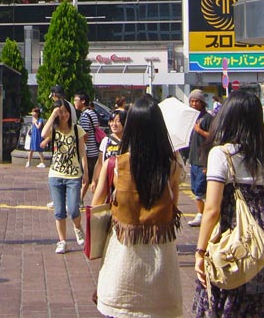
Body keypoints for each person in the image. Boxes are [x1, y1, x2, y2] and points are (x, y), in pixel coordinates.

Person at [192, 91, 264, 317]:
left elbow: (212, 209)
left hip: (235, 240)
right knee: (259, 308)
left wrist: (200, 251)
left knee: (228, 301)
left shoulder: (221, 154)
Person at [94, 95, 182, 318]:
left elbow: (95, 208)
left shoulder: (115, 164)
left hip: (122, 260)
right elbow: (174, 206)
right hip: (161, 263)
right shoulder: (171, 165)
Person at [41, 98, 88, 253]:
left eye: (65, 111)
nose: (64, 115)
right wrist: (53, 115)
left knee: (74, 208)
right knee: (59, 211)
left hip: (74, 175)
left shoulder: (77, 129)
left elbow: (82, 153)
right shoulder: (54, 130)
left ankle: (77, 227)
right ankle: (62, 241)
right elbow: (43, 134)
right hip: (55, 175)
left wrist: (85, 172)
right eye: (60, 112)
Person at [186, 89, 213, 227]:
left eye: (196, 101)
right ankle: (202, 213)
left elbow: (213, 137)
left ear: (202, 103)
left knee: (201, 189)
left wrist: (200, 131)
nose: (194, 104)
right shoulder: (191, 117)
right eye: (192, 101)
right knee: (195, 189)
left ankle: (202, 214)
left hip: (204, 159)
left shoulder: (208, 118)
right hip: (194, 158)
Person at [74, 92, 101, 198]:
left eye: (76, 100)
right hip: (95, 150)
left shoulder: (85, 116)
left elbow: (84, 136)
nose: (74, 102)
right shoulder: (92, 113)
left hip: (88, 152)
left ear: (83, 101)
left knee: (84, 178)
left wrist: (79, 149)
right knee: (90, 179)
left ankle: (78, 201)